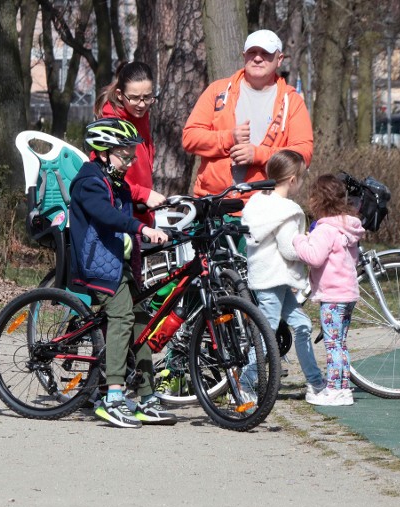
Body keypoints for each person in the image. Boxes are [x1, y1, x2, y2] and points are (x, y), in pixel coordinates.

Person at [69, 118, 176, 428]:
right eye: (124, 155)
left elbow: (127, 214)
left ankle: (145, 395)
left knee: (141, 322)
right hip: (97, 265)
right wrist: (141, 227)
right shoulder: (90, 182)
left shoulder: (117, 182)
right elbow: (107, 216)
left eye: (132, 156)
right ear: (102, 153)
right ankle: (113, 395)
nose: (130, 162)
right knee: (122, 317)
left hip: (120, 263)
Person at [182, 29, 313, 201]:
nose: (257, 58)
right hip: (213, 203)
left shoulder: (292, 101)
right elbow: (190, 137)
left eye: (265, 53)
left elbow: (303, 153)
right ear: (244, 55)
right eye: (252, 52)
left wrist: (258, 155)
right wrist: (229, 138)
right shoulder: (218, 91)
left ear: (279, 59)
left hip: (265, 204)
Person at [240, 150, 326, 400]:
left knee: (302, 325)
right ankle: (245, 383)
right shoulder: (287, 211)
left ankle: (315, 381)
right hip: (275, 279)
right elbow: (290, 249)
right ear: (292, 180)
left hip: (269, 278)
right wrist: (308, 243)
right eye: (301, 178)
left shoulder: (258, 202)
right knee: (267, 332)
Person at [293, 175, 364, 406]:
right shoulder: (347, 226)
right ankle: (343, 388)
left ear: (317, 201)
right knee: (340, 343)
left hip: (333, 296)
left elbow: (314, 258)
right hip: (348, 293)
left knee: (332, 345)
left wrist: (299, 241)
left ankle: (334, 390)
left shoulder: (325, 230)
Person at [93, 61, 166, 282]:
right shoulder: (112, 125)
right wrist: (142, 194)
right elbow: (105, 175)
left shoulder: (140, 114)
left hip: (140, 212)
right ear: (120, 94)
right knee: (125, 296)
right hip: (122, 215)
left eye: (147, 97)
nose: (142, 104)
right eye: (134, 97)